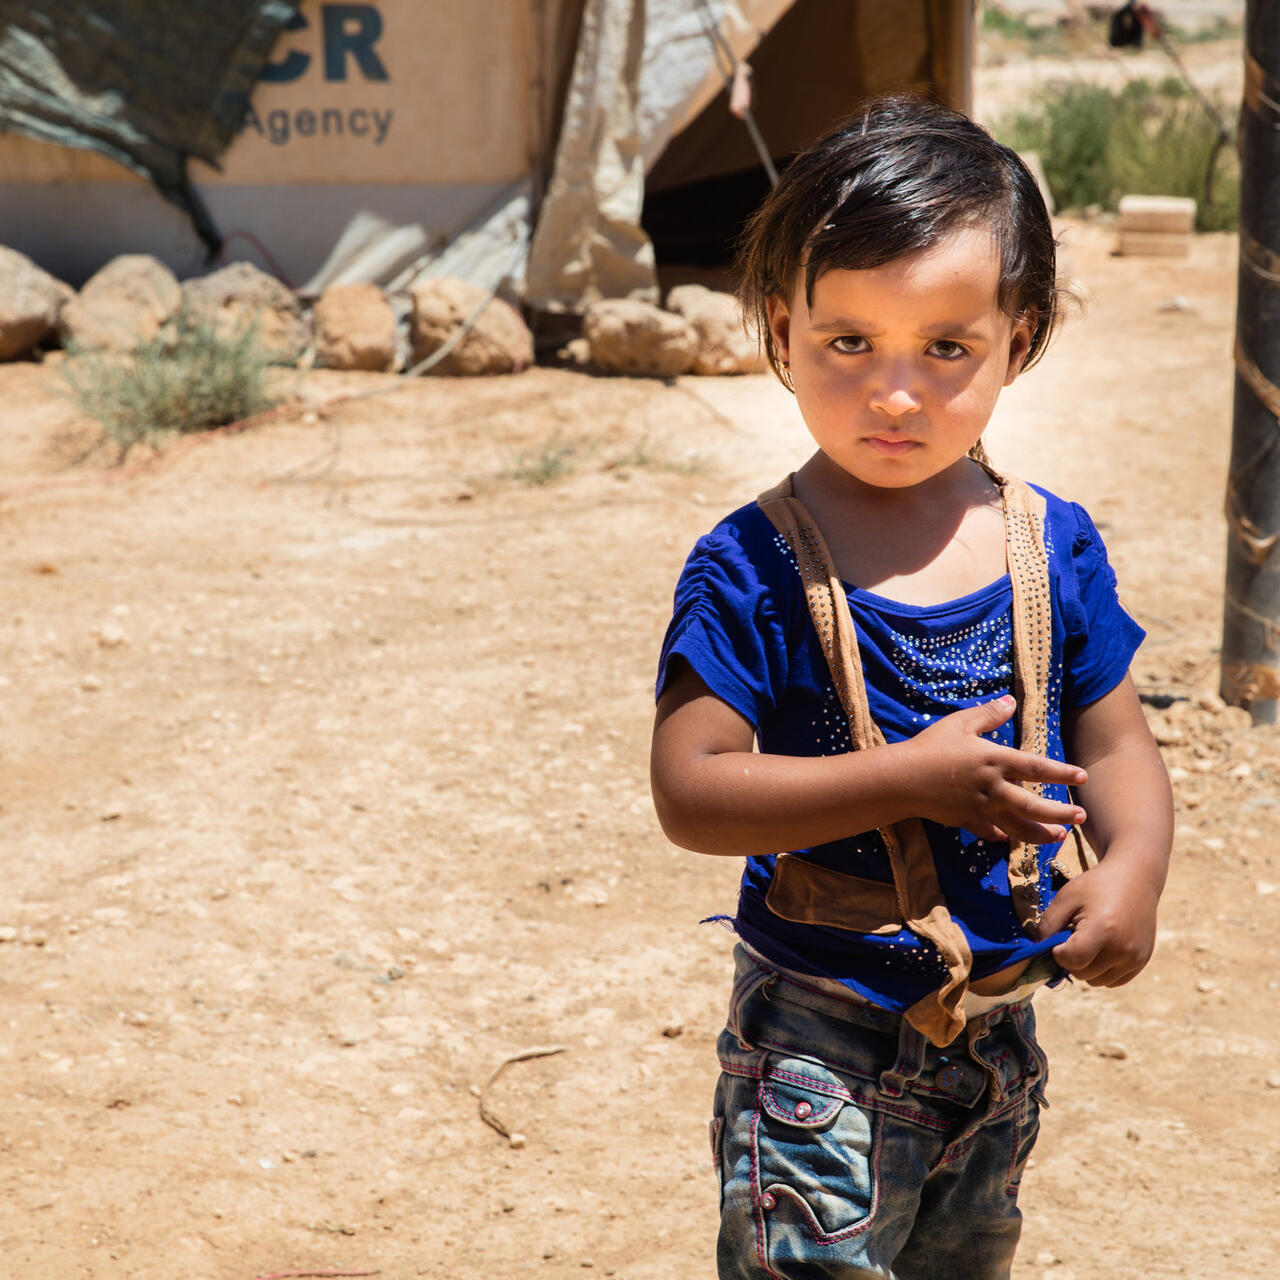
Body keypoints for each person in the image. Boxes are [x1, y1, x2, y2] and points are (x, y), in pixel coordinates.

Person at [649, 95, 1173, 1280]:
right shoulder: (752, 563)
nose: (894, 393)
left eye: (945, 348)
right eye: (849, 342)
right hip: (813, 1040)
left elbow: (1119, 742)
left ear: (1017, 337)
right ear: (780, 331)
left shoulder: (1048, 547)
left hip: (995, 1032)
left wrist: (1133, 864)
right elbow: (692, 789)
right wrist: (912, 775)